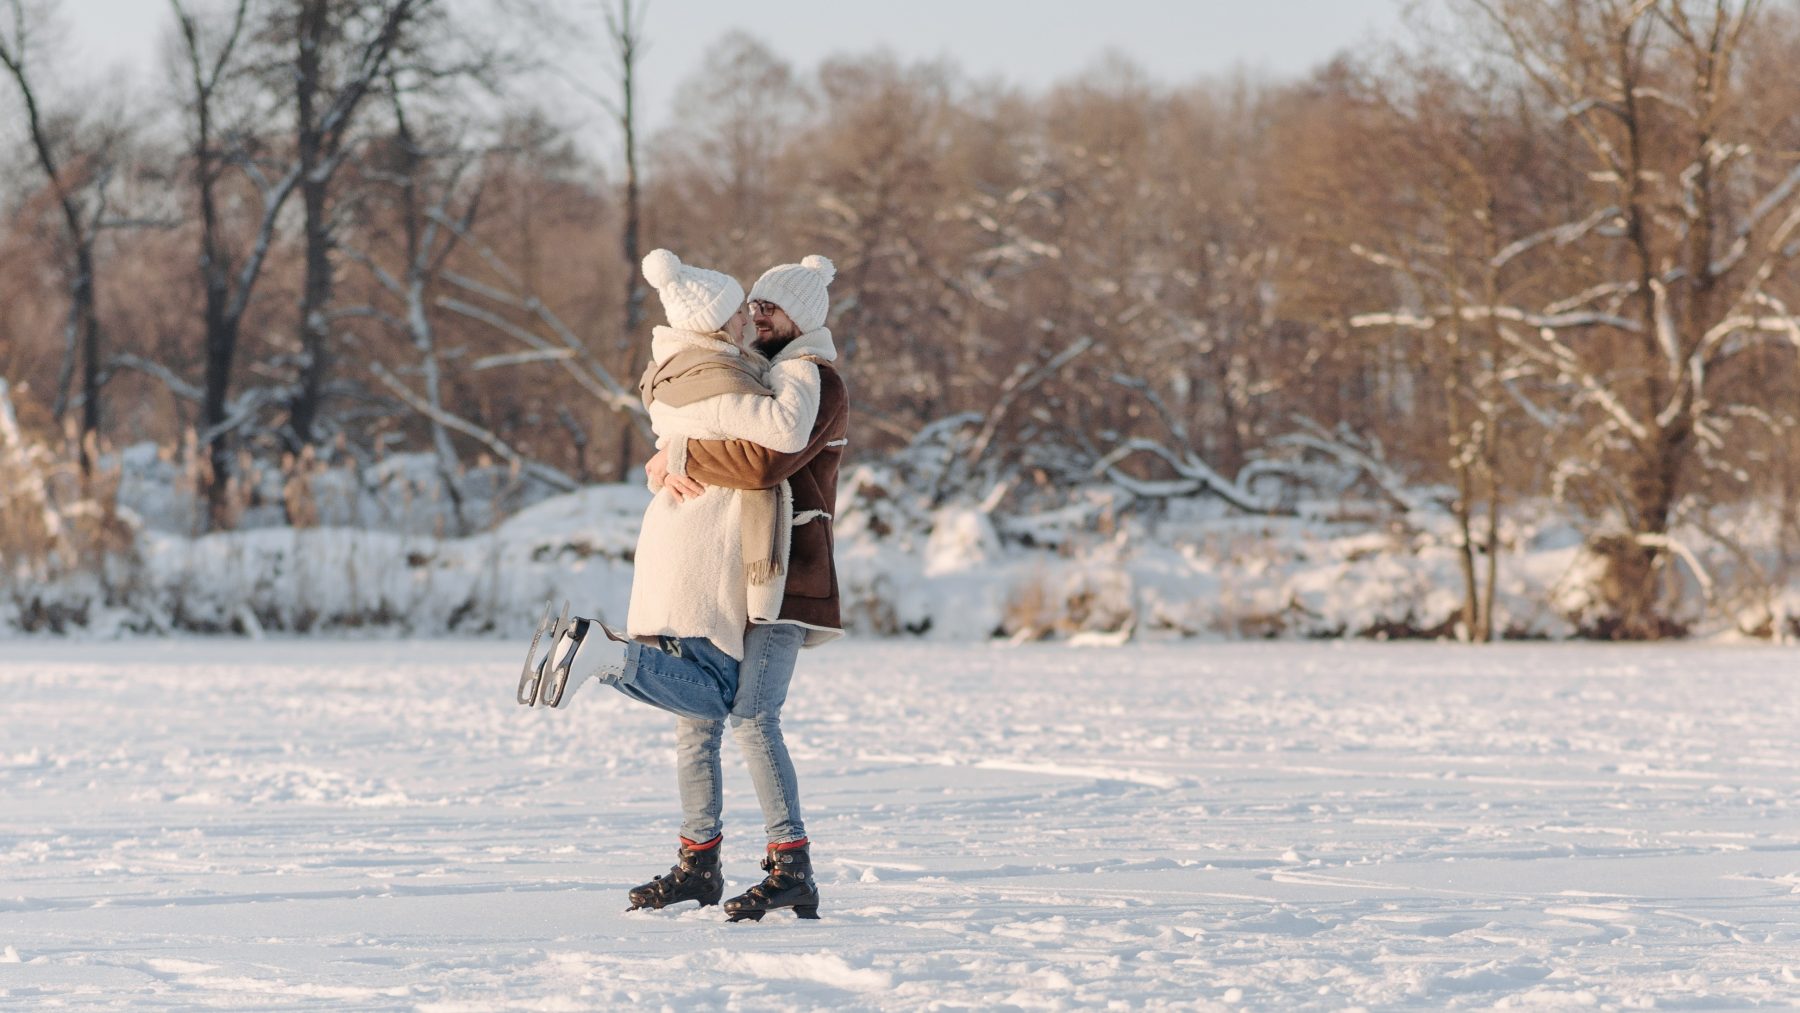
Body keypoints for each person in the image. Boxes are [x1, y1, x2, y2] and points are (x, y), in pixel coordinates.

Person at [522, 252, 849, 923]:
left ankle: (793, 868)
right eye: (751, 303)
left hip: (790, 575)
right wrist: (672, 452)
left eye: (770, 306)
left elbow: (765, 462)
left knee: (750, 714)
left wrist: (678, 452)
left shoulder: (813, 376)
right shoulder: (756, 371)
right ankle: (698, 864)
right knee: (699, 721)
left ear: (805, 318)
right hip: (745, 567)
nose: (757, 313)